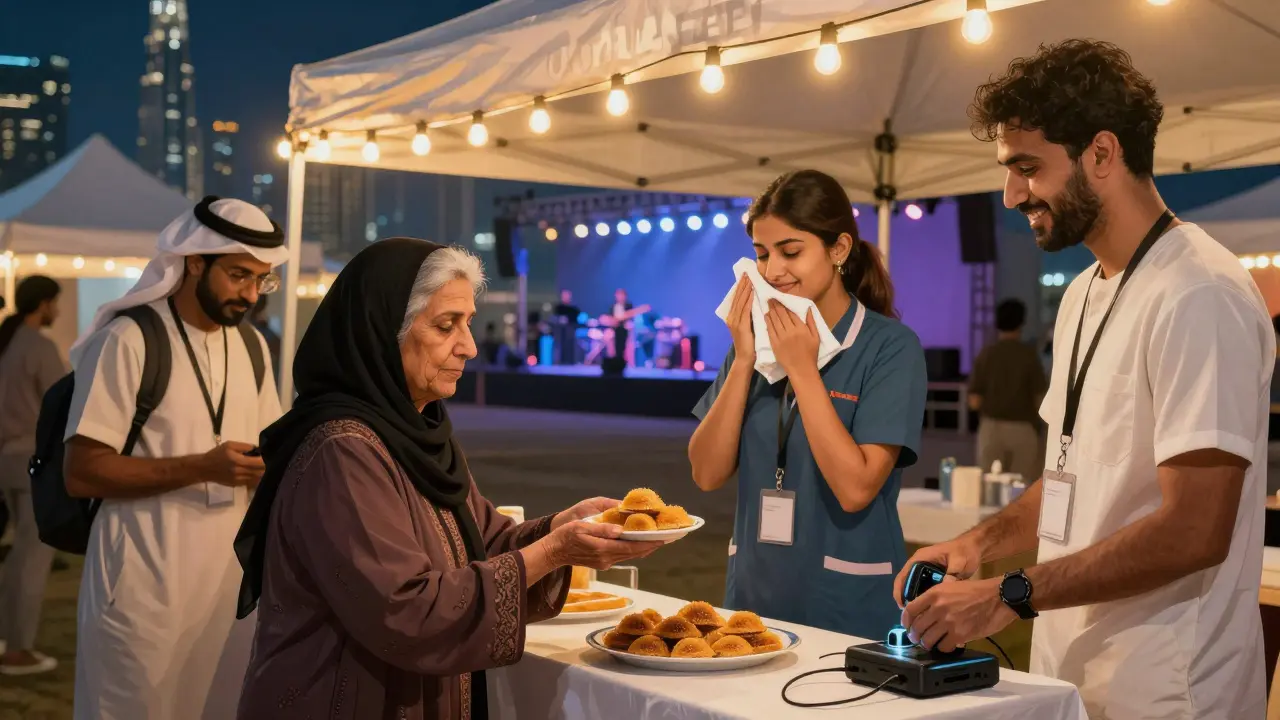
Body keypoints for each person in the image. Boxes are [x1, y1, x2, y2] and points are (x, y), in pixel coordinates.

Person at [896, 40, 1271, 720]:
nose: (1012, 194)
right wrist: (977, 546)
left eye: (1027, 168)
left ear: (1102, 153)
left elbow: (1196, 529)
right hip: (1071, 678)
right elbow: (1074, 478)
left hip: (1169, 692)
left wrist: (1007, 596)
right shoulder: (1083, 293)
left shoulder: (1200, 291)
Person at [233, 238, 661, 720]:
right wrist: (555, 550)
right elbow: (404, 610)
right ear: (382, 332)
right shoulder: (342, 450)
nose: (470, 346)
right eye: (445, 326)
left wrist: (564, 526)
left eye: (468, 323)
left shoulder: (415, 435)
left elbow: (486, 542)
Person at [63, 197, 288, 719]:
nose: (251, 293)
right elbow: (82, 470)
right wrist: (201, 467)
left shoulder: (253, 346)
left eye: (261, 280)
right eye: (238, 275)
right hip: (140, 588)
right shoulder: (129, 339)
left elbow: (269, 453)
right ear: (193, 262)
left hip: (226, 592)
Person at [688, 169, 928, 640]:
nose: (773, 271)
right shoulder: (755, 344)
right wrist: (743, 360)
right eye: (761, 254)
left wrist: (802, 368)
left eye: (790, 251)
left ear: (838, 249)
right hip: (754, 603)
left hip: (848, 608)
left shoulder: (889, 347)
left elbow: (856, 488)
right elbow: (706, 473)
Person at [0, 276, 67, 675]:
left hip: (6, 460)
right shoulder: (38, 348)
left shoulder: (6, 345)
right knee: (31, 559)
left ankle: (11, 639)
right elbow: (61, 406)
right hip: (32, 463)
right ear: (43, 304)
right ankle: (18, 649)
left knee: (18, 558)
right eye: (55, 303)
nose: (57, 311)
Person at [968, 298, 1047, 480]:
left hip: (991, 428)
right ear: (1022, 322)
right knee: (1021, 489)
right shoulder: (1028, 355)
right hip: (1023, 429)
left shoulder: (987, 354)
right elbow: (1040, 399)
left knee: (989, 487)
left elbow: (974, 400)